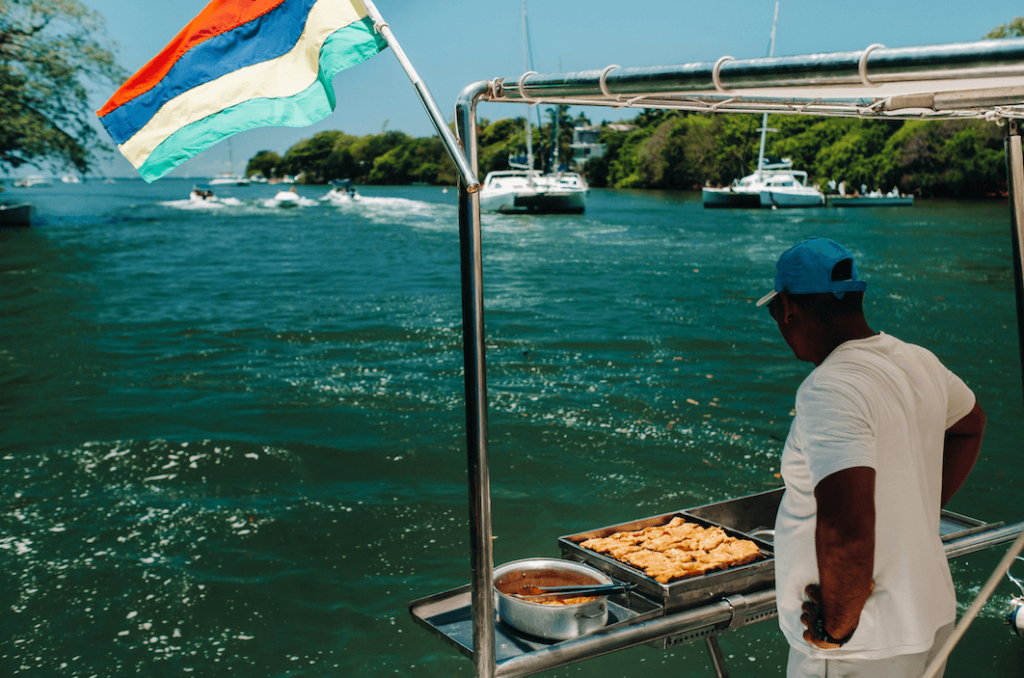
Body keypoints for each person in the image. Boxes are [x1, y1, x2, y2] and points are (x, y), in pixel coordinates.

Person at [756, 238, 986, 678]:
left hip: (862, 648)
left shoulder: (830, 387)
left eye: (774, 312)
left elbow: (846, 527)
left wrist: (837, 631)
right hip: (927, 615)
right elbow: (970, 424)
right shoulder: (918, 361)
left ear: (788, 308)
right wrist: (918, 509)